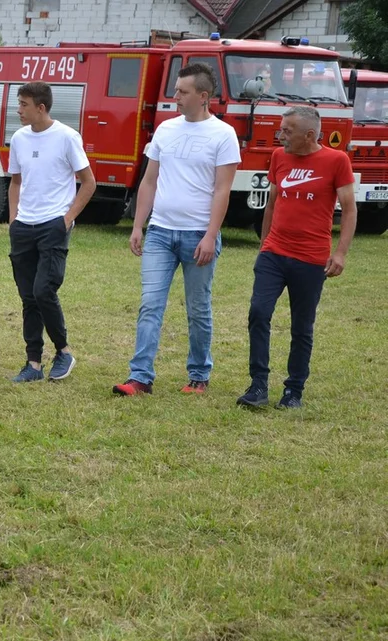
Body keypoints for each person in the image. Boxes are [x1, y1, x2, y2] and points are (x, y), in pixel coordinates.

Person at [113, 63, 240, 397]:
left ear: (203, 96)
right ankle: (140, 377)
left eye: (182, 92)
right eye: (176, 91)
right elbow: (149, 180)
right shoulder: (166, 130)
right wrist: (138, 225)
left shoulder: (223, 135)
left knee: (198, 309)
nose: (176, 98)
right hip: (160, 233)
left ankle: (198, 375)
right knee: (150, 305)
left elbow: (222, 190)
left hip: (199, 235)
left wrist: (211, 235)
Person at [237, 106, 355, 409]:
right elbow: (272, 204)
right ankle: (258, 385)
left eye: (287, 130)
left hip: (311, 258)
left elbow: (350, 209)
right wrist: (264, 246)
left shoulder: (336, 160)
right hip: (274, 253)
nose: (281, 135)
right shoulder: (279, 157)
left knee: (302, 326)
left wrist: (340, 253)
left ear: (310, 135)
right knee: (258, 313)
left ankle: (294, 391)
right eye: (281, 129)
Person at [6, 81, 96, 383]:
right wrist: (14, 220)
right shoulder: (18, 139)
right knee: (28, 297)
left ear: (41, 108)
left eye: (23, 104)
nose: (18, 110)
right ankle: (33, 363)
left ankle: (64, 351)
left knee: (44, 290)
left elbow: (89, 182)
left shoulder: (67, 137)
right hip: (24, 227)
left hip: (53, 225)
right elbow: (15, 182)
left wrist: (67, 218)